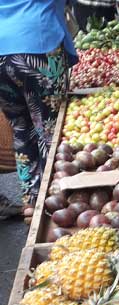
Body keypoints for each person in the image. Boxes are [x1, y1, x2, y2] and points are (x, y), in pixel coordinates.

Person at [0, 0, 78, 220]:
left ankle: (31, 202)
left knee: (20, 127)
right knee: (49, 130)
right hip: (38, 45)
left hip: (1, 51)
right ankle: (53, 200)